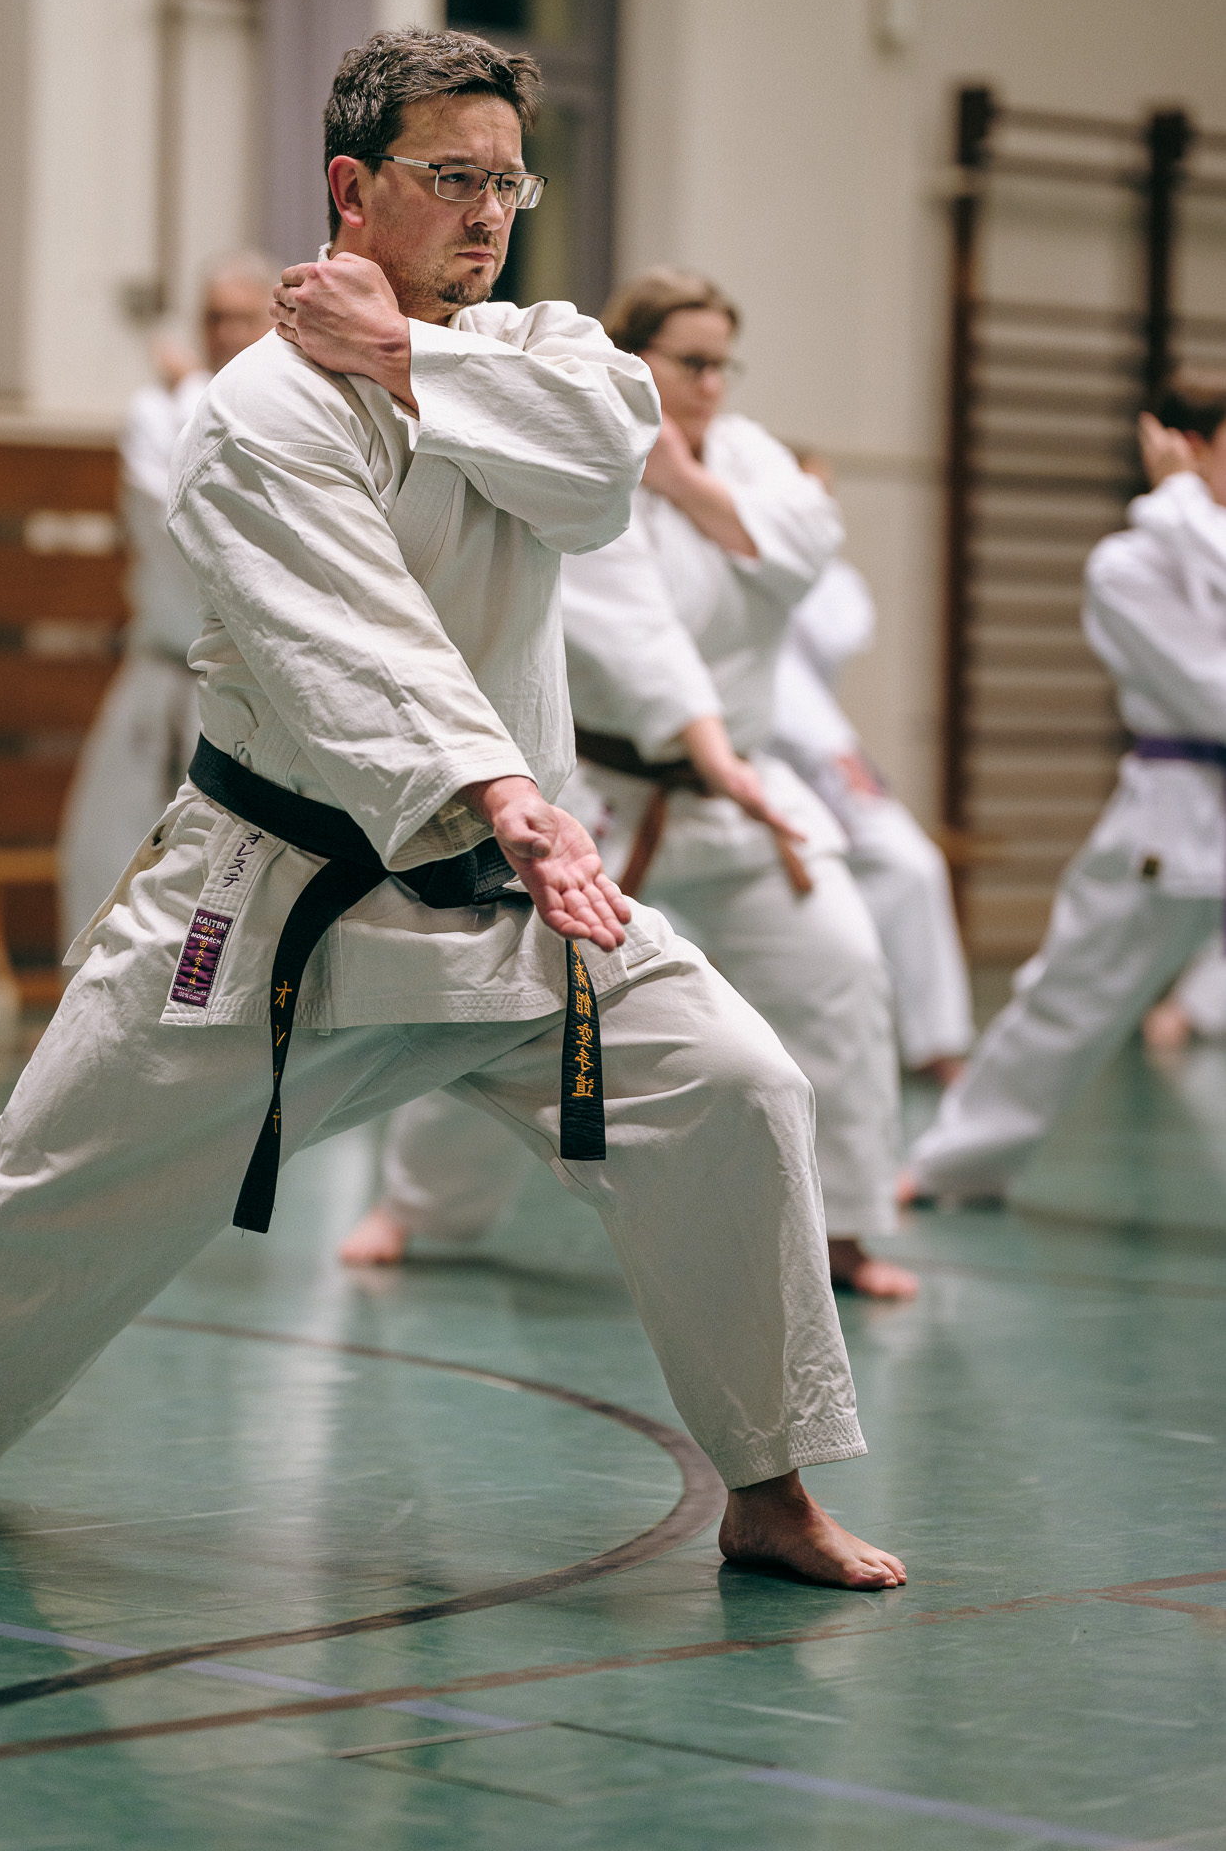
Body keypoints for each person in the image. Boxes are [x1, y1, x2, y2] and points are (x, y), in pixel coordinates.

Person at [0, 28, 903, 1592]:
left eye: (508, 182)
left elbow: (609, 459)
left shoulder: (528, 352)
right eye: (450, 177)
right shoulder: (259, 407)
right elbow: (351, 646)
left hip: (516, 901)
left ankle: (766, 1485)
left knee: (734, 1087)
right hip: (276, 899)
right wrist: (504, 790)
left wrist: (407, 358)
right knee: (49, 1176)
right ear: (352, 184)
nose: (488, 211)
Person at [343, 268, 918, 1299]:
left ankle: (843, 1228)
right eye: (690, 364)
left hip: (736, 803)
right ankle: (420, 1208)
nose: (711, 386)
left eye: (723, 365)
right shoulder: (579, 469)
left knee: (837, 968)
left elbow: (809, 543)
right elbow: (634, 637)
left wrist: (691, 485)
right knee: (504, 993)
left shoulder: (748, 456)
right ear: (634, 360)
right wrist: (711, 749)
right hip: (607, 799)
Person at [904, 384, 1226, 1202]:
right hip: (1178, 818)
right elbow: (1213, 695)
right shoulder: (1127, 566)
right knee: (1070, 1000)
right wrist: (1178, 508)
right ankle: (957, 1165)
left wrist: (1183, 509)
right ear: (1185, 450)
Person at [56, 254, 276, 946]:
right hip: (159, 672)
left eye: (242, 317)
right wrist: (188, 395)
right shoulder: (156, 414)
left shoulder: (288, 415)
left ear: (274, 321)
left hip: (248, 692)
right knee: (101, 857)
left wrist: (188, 387)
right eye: (213, 317)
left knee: (227, 883)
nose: (224, 332)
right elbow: (182, 520)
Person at [773, 552, 975, 1082]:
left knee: (913, 865)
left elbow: (833, 642)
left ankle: (933, 1042)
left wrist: (842, 761)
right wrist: (835, 752)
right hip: (731, 762)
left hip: (819, 765)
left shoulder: (816, 565)